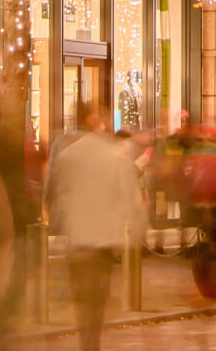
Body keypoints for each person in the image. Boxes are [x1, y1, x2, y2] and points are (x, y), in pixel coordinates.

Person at [48, 101, 145, 351]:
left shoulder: (69, 155)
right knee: (97, 299)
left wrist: (59, 223)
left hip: (79, 238)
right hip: (103, 239)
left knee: (84, 297)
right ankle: (93, 342)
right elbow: (129, 199)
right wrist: (136, 232)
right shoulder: (114, 158)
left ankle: (86, 341)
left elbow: (61, 194)